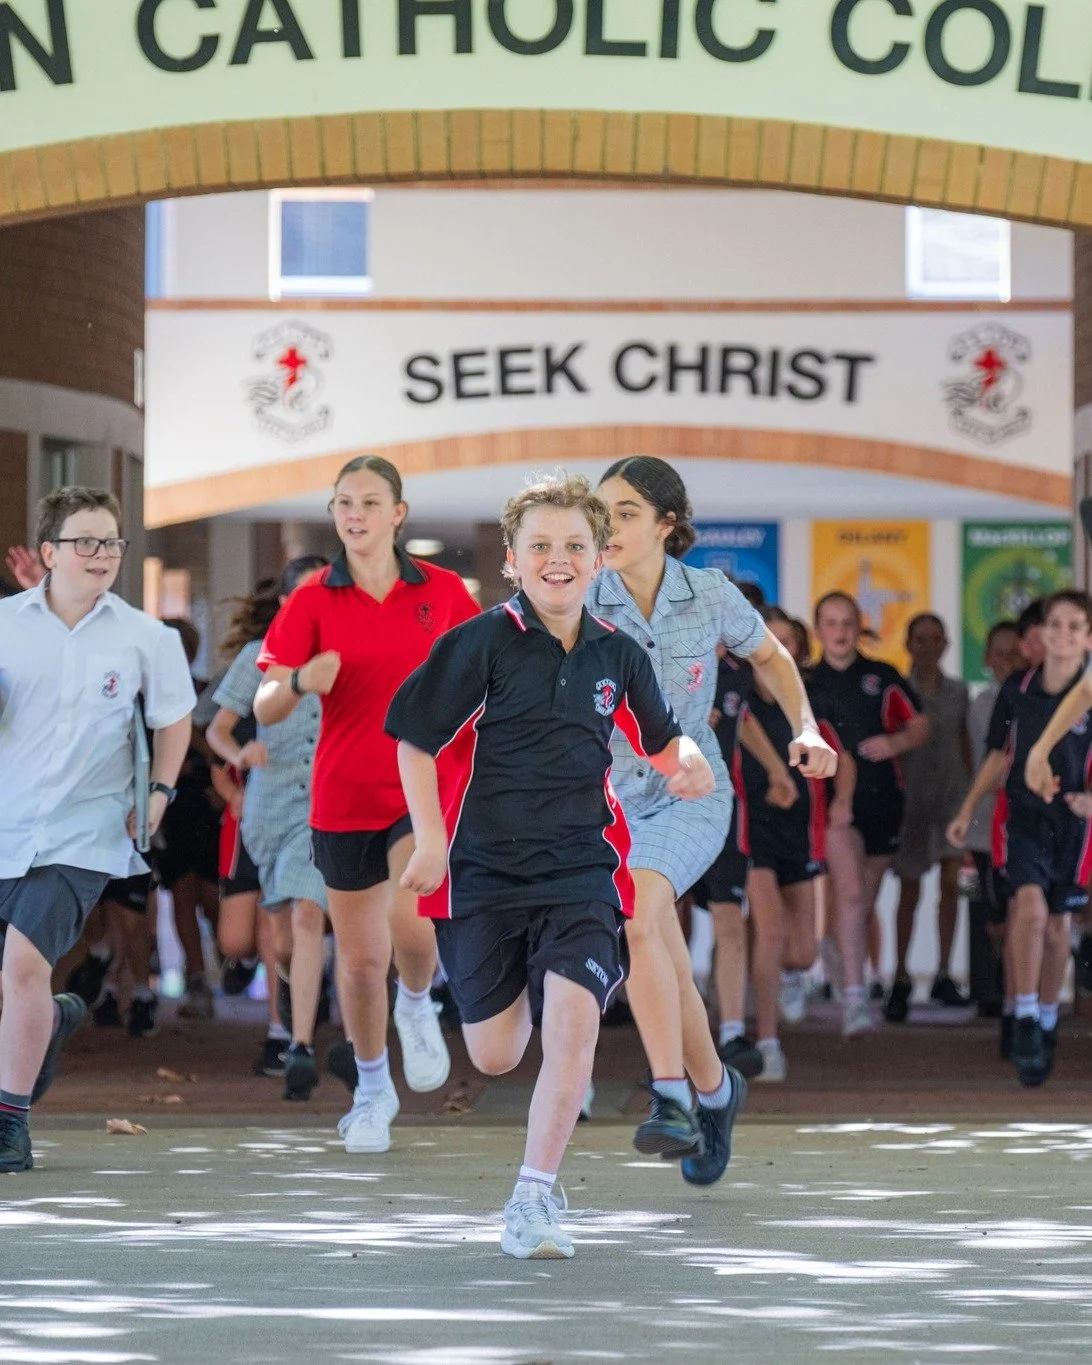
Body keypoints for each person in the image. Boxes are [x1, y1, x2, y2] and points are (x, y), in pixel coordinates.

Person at [388, 472, 723, 1260]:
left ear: (599, 558)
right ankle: (496, 992)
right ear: (513, 559)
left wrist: (691, 761)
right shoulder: (480, 642)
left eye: (575, 545)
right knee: (496, 1053)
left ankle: (532, 1196)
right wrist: (431, 841)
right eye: (540, 546)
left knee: (572, 1025)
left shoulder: (617, 653)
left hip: (581, 869)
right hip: (481, 874)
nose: (558, 559)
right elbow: (413, 738)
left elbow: (663, 738)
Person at [592, 457, 836, 1162]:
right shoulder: (580, 593)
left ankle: (668, 1094)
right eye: (602, 510)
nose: (609, 527)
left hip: (692, 792)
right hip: (608, 802)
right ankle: (715, 1088)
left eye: (628, 512)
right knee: (657, 938)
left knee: (640, 913)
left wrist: (807, 726)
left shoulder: (710, 593)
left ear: (669, 524)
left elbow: (774, 658)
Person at [255, 456, 480, 1154]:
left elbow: (489, 668)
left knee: (411, 928)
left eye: (370, 501)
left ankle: (417, 1001)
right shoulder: (312, 600)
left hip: (422, 789)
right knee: (356, 962)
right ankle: (373, 1089)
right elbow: (266, 705)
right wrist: (298, 678)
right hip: (343, 793)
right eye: (344, 503)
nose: (355, 514)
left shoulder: (443, 592)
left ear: (397, 514)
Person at [0, 486, 195, 1172]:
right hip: (5, 822)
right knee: (12, 984)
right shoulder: (5, 624)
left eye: (111, 541)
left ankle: (10, 1122)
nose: (101, 554)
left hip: (82, 833)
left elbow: (174, 717)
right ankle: (49, 1021)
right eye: (85, 541)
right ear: (49, 552)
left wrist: (162, 790)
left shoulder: (146, 636)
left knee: (23, 964)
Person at [952, 590, 1092, 1087]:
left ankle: (1048, 1018)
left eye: (1076, 626)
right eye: (1056, 623)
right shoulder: (1018, 689)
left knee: (1058, 928)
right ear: (1041, 632)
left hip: (1075, 824)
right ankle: (1026, 1015)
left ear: (1088, 637)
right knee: (1027, 910)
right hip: (1025, 817)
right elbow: (997, 755)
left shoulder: (1089, 688)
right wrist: (967, 809)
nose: (1063, 633)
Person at [208, 555, 330, 1101]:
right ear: (285, 602)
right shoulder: (260, 657)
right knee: (274, 937)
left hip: (326, 808)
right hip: (269, 807)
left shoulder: (343, 657)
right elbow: (218, 731)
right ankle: (299, 993)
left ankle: (300, 1044)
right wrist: (243, 751)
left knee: (308, 915)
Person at [807, 592, 929, 1036]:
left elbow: (920, 725)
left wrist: (893, 743)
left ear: (859, 628)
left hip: (884, 801)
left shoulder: (882, 676)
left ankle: (839, 951)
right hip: (834, 805)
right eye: (831, 623)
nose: (839, 631)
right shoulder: (805, 682)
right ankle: (855, 999)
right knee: (853, 894)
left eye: (847, 623)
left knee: (862, 900)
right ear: (818, 630)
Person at [743, 608, 851, 1081]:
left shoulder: (811, 702)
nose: (778, 649)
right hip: (750, 830)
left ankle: (785, 978)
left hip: (800, 831)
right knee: (768, 932)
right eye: (770, 640)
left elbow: (841, 759)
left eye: (788, 642)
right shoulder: (738, 699)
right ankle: (767, 1043)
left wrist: (842, 802)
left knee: (803, 951)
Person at [695, 649, 799, 1081]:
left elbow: (744, 721)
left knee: (729, 918)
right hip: (658, 805)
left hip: (720, 809)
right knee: (653, 920)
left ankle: (731, 1035)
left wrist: (777, 769)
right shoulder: (667, 653)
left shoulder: (737, 673)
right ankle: (661, 1036)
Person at [885, 614, 972, 1021]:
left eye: (936, 638)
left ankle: (942, 973)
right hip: (910, 801)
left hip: (952, 798)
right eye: (920, 638)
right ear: (908, 643)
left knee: (951, 887)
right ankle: (901, 975)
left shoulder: (959, 691)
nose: (928, 645)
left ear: (946, 643)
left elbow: (965, 742)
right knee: (910, 891)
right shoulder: (898, 689)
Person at [963, 620, 1023, 1029]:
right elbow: (983, 759)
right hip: (988, 822)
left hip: (1023, 821)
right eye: (997, 653)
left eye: (1011, 653)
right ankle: (991, 991)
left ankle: (1016, 996)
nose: (1004, 662)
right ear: (986, 658)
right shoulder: (982, 703)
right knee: (990, 907)